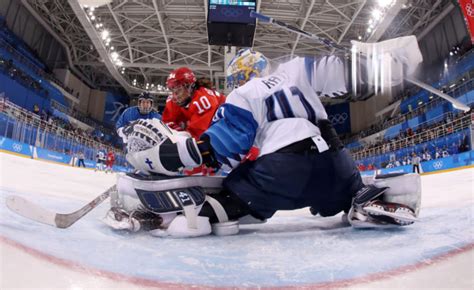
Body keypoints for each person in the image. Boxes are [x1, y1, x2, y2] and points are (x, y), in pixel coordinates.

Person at [104, 46, 422, 237]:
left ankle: (189, 217)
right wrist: (381, 62)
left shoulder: (244, 93)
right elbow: (342, 72)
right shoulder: (296, 69)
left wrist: (175, 158)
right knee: (344, 185)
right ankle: (360, 202)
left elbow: (224, 150)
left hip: (282, 172)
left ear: (239, 76)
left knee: (238, 187)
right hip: (338, 166)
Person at [162, 68, 225, 139]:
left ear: (190, 87)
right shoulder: (176, 100)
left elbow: (197, 137)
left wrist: (178, 135)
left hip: (228, 127)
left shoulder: (203, 100)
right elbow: (166, 124)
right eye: (172, 89)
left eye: (179, 89)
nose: (175, 94)